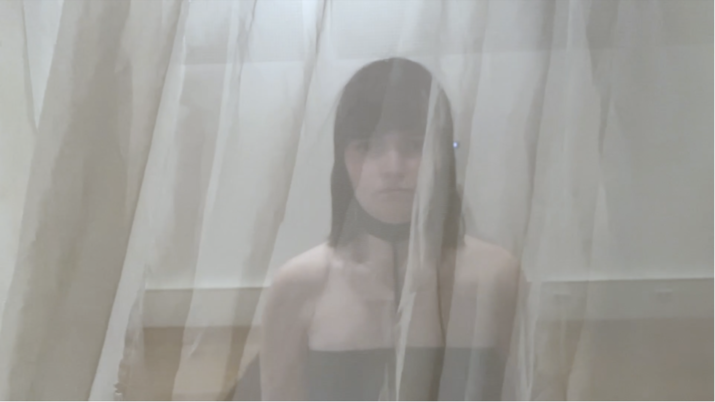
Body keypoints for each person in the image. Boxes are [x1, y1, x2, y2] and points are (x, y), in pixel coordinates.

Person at [258, 58, 519, 400]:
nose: (393, 167)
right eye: (368, 146)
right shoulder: (299, 284)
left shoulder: (496, 277)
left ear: (442, 154)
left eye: (415, 145)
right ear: (343, 159)